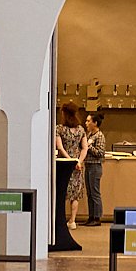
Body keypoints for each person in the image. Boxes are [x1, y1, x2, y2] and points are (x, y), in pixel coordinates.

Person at [51, 102, 84, 251]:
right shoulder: (80, 130)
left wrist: (70, 160)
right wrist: (79, 161)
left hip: (65, 164)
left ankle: (62, 219)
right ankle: (73, 220)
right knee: (75, 194)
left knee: (62, 191)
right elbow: (85, 147)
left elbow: (59, 147)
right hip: (78, 165)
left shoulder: (60, 128)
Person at [81, 109, 107, 226]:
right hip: (88, 165)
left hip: (95, 166)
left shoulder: (99, 136)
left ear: (95, 123)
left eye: (88, 121)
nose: (86, 123)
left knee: (95, 193)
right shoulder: (89, 135)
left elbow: (100, 153)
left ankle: (97, 217)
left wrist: (88, 146)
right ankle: (91, 216)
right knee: (89, 193)